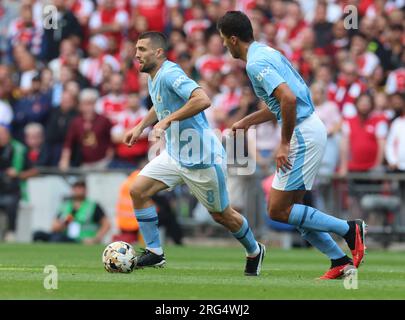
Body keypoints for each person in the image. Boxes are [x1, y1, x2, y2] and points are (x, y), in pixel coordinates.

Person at [217, 11, 366, 280]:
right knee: (293, 210)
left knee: (277, 209)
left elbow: (288, 100)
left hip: (303, 133)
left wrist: (284, 143)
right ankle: (339, 260)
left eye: (224, 40)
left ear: (233, 39)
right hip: (309, 127)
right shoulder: (267, 52)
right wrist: (247, 121)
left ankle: (349, 229)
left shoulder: (255, 63)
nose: (224, 45)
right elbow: (282, 101)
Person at [124, 31, 265, 276]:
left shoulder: (171, 73)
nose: (137, 54)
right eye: (136, 49)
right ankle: (155, 253)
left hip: (203, 160)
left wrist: (167, 120)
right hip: (175, 155)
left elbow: (202, 99)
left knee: (222, 216)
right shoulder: (153, 76)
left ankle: (254, 250)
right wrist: (140, 126)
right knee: (137, 190)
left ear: (158, 52)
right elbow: (161, 107)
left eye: (142, 49)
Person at [33, 178, 111, 244]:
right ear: (72, 189)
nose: (79, 190)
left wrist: (96, 239)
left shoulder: (93, 206)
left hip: (81, 239)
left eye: (81, 187)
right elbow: (54, 227)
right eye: (76, 187)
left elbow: (106, 224)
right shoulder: (66, 205)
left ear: (86, 190)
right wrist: (67, 221)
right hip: (66, 235)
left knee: (57, 239)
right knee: (37, 234)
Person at [0, 124, 37, 242]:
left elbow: (34, 171)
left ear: (8, 134)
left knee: (11, 203)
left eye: (2, 133)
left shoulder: (19, 149)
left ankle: (11, 232)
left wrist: (17, 174)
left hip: (12, 190)